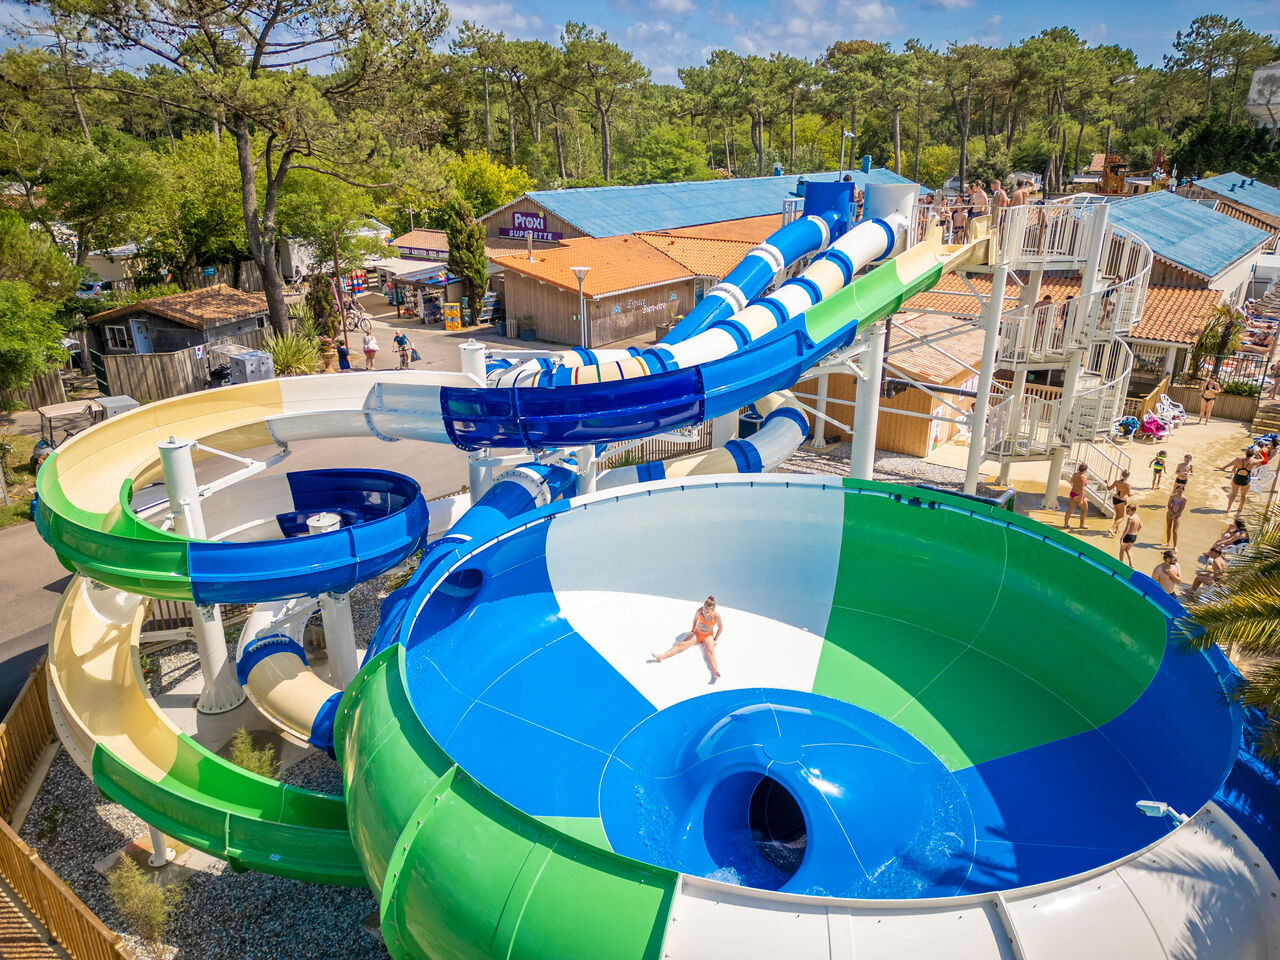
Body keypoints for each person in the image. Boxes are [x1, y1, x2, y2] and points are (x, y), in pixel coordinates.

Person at [651, 596, 723, 682]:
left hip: (708, 635)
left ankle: (716, 672)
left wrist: (715, 639)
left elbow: (720, 628)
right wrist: (692, 631)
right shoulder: (699, 611)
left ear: (712, 610)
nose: (704, 612)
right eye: (704, 609)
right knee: (681, 644)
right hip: (698, 633)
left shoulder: (716, 616)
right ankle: (662, 656)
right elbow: (695, 621)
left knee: (710, 653)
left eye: (707, 611)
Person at [1219, 447, 1262, 514]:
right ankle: (1240, 508)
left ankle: (1228, 508)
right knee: (1243, 495)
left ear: (1246, 453)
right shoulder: (1253, 462)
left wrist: (1227, 468)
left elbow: (1233, 469)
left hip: (1237, 478)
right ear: (1253, 455)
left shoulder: (1238, 459)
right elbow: (1263, 459)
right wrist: (1258, 453)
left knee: (1233, 494)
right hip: (1246, 480)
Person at [1063, 463, 1089, 529]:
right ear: (1085, 470)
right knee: (1085, 509)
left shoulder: (1075, 474)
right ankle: (1082, 524)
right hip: (1079, 494)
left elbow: (1072, 481)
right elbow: (1082, 489)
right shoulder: (1083, 477)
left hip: (1073, 493)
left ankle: (1066, 524)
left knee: (1070, 510)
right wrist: (1081, 500)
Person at [1107, 470, 1132, 537]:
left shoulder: (1116, 482)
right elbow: (1129, 494)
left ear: (1121, 474)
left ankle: (1116, 529)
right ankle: (1112, 528)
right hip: (1121, 500)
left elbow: (1109, 488)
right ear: (1128, 476)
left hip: (1115, 499)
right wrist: (1135, 492)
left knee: (1117, 515)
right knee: (1122, 517)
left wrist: (1107, 483)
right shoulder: (1127, 484)